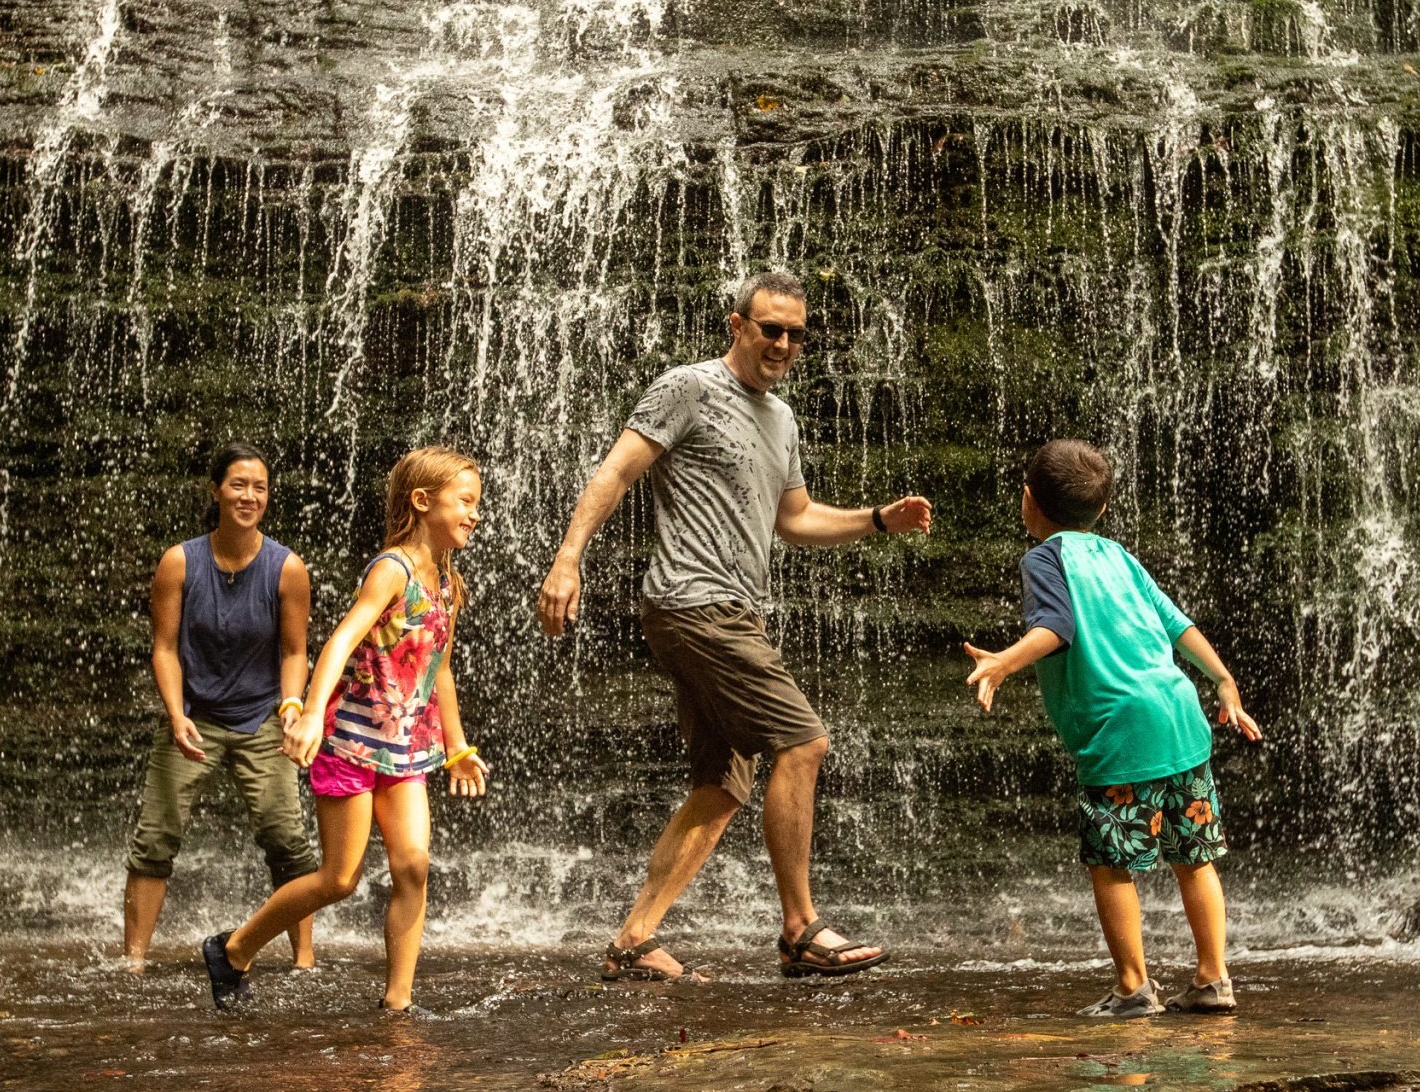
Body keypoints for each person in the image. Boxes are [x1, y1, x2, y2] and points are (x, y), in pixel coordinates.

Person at [537, 272, 932, 983]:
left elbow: (796, 518)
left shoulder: (782, 419)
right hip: (693, 602)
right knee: (804, 741)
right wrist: (568, 560)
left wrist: (876, 519)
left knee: (722, 783)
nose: (782, 342)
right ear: (737, 326)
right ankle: (800, 928)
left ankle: (633, 941)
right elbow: (615, 472)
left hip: (729, 610)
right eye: (769, 328)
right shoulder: (687, 387)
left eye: (795, 333)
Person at [961, 439, 1263, 1018]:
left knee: (1111, 862)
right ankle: (1212, 978)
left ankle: (1133, 987)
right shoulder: (1118, 554)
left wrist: (1003, 661)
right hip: (1180, 717)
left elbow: (1056, 627)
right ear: (1100, 510)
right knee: (1194, 856)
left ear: (1028, 501)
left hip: (1118, 733)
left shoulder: (1044, 560)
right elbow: (1177, 626)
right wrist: (1223, 679)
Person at [200, 447, 493, 1012]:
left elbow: (441, 669)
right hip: (351, 744)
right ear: (422, 501)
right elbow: (340, 639)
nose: (475, 514)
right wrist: (310, 713)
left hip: (406, 749)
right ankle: (233, 949)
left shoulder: (448, 585)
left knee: (413, 865)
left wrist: (457, 747)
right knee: (339, 879)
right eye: (466, 501)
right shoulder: (392, 570)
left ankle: (398, 1002)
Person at [122, 444, 322, 970]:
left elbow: (295, 651)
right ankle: (133, 960)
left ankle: (305, 959)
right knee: (156, 835)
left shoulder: (287, 568)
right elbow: (164, 647)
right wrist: (175, 714)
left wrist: (292, 709)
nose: (249, 496)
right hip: (194, 716)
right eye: (238, 485)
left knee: (286, 837)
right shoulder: (180, 561)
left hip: (262, 718)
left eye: (259, 487)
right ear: (216, 491)